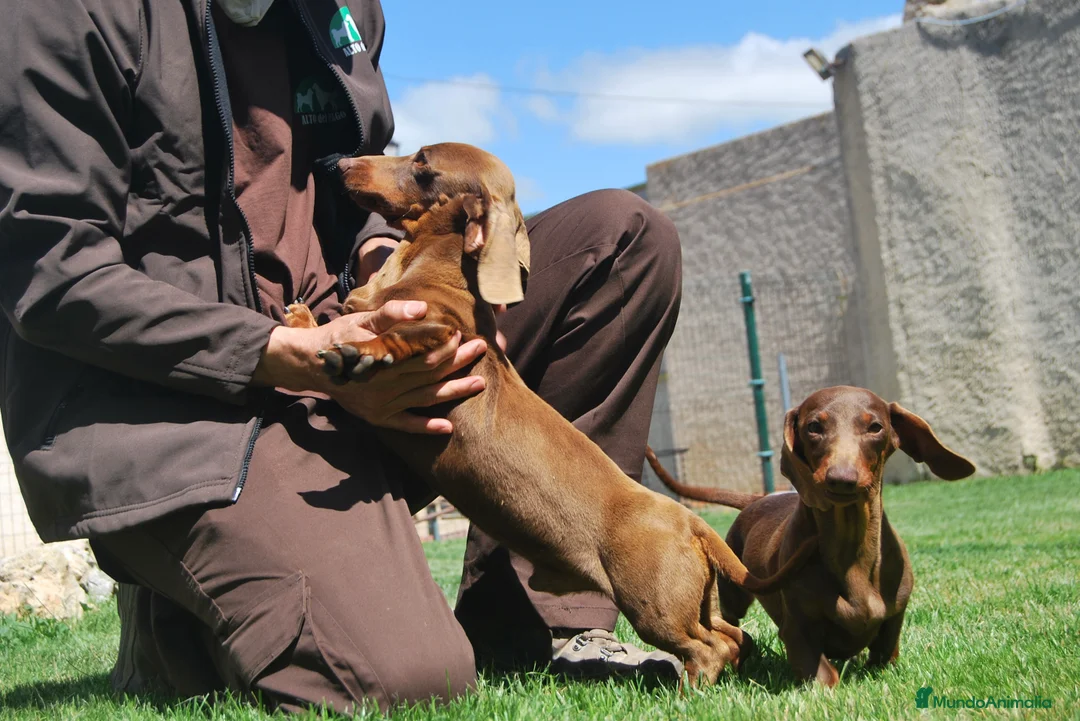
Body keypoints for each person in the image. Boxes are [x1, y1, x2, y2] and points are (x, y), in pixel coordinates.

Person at [0, 0, 682, 714]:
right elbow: (51, 269)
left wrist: (393, 266)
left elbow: (360, 186)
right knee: (405, 677)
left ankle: (537, 620)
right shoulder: (65, 11)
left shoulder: (343, 10)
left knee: (623, 241)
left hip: (344, 345)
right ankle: (177, 615)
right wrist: (281, 351)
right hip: (182, 412)